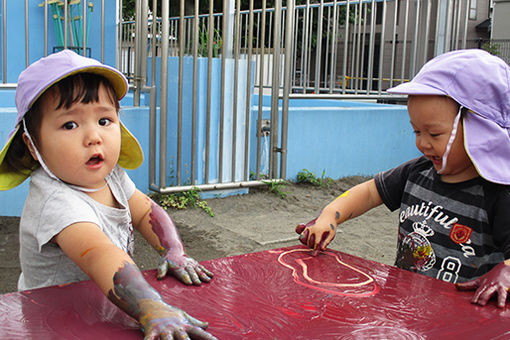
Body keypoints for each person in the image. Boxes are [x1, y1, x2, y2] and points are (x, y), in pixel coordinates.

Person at [0, 50, 216, 339]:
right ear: (31, 144)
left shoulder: (111, 176)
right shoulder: (55, 200)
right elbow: (99, 253)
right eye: (70, 125)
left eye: (104, 120)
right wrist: (153, 307)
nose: (94, 137)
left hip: (103, 306)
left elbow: (144, 211)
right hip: (53, 322)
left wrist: (173, 250)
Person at [295, 49, 510, 308]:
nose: (422, 143)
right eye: (416, 131)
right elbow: (370, 191)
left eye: (435, 134)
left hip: (465, 320)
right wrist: (330, 215)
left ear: (482, 130)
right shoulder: (417, 172)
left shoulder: (498, 192)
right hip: (408, 306)